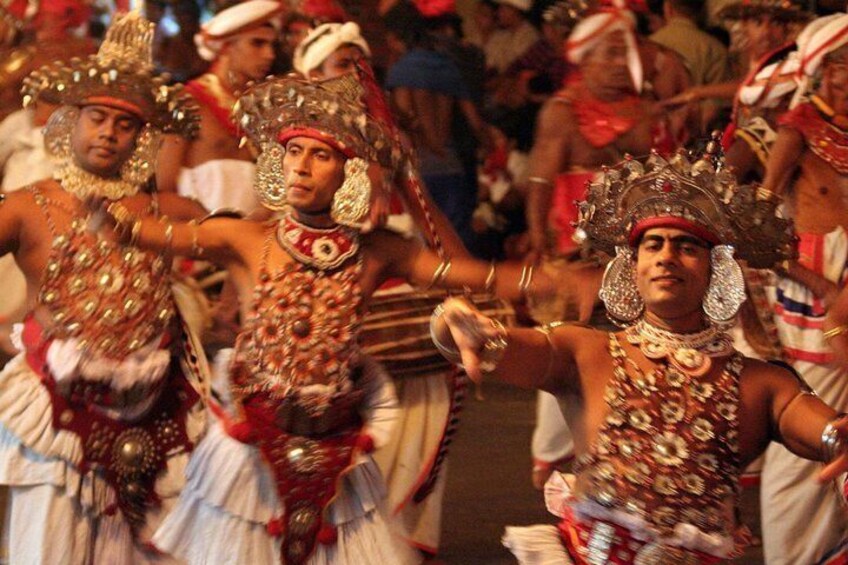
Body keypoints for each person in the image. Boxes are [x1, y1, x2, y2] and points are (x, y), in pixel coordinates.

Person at [103, 74, 548, 564]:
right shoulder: (246, 239)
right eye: (294, 152)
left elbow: (462, 271)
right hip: (251, 450)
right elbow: (146, 233)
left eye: (321, 155)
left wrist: (540, 281)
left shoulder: (376, 252)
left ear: (347, 173)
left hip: (337, 452)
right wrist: (113, 194)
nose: (302, 167)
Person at [430, 144, 848, 564]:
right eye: (653, 245)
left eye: (686, 247)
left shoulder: (762, 383)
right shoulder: (584, 352)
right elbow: (495, 346)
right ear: (631, 267)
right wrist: (452, 327)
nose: (666, 257)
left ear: (717, 270)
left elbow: (823, 430)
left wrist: (835, 439)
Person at [0, 10, 206, 562]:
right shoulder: (28, 205)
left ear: (142, 137)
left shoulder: (163, 210)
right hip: (55, 414)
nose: (109, 133)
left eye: (125, 124)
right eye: (97, 117)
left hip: (156, 417)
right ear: (71, 121)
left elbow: (251, 246)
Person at [756, 14, 848, 565]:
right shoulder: (797, 128)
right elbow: (761, 228)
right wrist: (826, 290)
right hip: (810, 293)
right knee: (812, 423)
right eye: (835, 68)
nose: (844, 80)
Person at [156, 0, 281, 214]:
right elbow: (163, 188)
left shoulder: (268, 111)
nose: (269, 55)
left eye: (272, 46)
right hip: (197, 237)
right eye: (257, 43)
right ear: (226, 46)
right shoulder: (187, 101)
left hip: (253, 241)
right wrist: (213, 232)